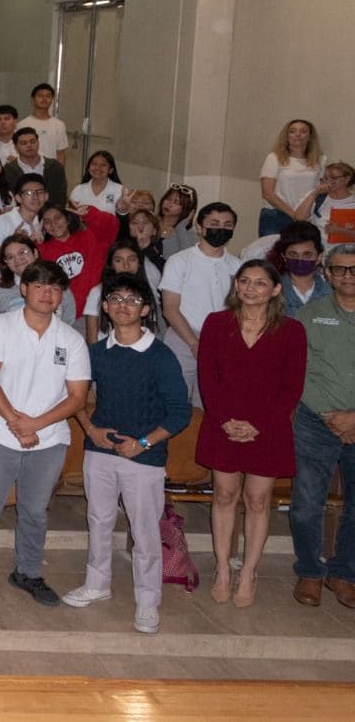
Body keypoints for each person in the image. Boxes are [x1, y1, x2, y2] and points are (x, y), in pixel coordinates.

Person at [0, 261, 89, 608]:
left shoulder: (71, 339)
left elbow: (77, 397)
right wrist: (18, 422)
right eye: (40, 286)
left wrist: (35, 425)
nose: (48, 294)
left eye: (55, 289)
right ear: (24, 288)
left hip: (49, 438)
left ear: (62, 296)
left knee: (35, 511)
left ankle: (27, 572)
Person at [63, 272, 191, 634]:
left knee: (144, 530)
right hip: (100, 450)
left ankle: (148, 601)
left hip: (144, 457)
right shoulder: (95, 352)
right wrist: (90, 429)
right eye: (115, 298)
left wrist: (145, 442)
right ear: (104, 306)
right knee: (99, 520)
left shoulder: (160, 355)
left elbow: (179, 413)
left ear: (147, 309)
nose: (122, 305)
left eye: (132, 300)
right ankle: (97, 584)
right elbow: (73, 396)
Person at [196, 260, 307, 607]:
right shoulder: (216, 324)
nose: (250, 288)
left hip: (268, 427)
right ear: (236, 285)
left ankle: (249, 573)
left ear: (276, 289)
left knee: (258, 501)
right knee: (225, 496)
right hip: (222, 423)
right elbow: (206, 379)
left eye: (260, 283)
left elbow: (292, 387)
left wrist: (258, 423)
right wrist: (225, 419)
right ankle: (223, 569)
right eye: (244, 281)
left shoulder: (292, 331)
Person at [289, 243, 355, 607]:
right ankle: (310, 573)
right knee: (306, 503)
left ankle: (344, 574)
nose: (348, 276)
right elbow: (300, 371)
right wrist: (331, 416)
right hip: (316, 421)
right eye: (340, 269)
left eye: (354, 269)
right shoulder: (309, 316)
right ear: (326, 274)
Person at [160, 202, 243, 404]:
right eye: (214, 223)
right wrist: (194, 344)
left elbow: (238, 309)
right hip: (183, 338)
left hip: (220, 341)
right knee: (174, 402)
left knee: (209, 403)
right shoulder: (179, 261)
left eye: (227, 224)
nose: (221, 228)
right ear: (199, 227)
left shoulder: (238, 265)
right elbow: (170, 309)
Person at [259, 118, 324, 237]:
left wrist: (302, 216)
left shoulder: (320, 160)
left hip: (306, 218)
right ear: (286, 136)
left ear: (310, 137)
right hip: (276, 216)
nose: (298, 135)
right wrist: (293, 215)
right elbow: (267, 193)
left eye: (303, 131)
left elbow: (320, 190)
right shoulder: (274, 158)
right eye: (293, 131)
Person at [0, 128, 68, 208]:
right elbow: (8, 197)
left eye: (32, 142)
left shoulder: (55, 166)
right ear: (16, 147)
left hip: (50, 214)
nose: (29, 145)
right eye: (23, 143)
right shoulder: (8, 170)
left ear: (38, 143)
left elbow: (61, 196)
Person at [16, 83, 68, 164]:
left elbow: (60, 154)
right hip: (27, 171)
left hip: (51, 170)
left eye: (48, 96)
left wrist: (60, 174)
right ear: (33, 99)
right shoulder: (22, 124)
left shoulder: (59, 125)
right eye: (40, 96)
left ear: (52, 99)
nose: (44, 99)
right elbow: (18, 151)